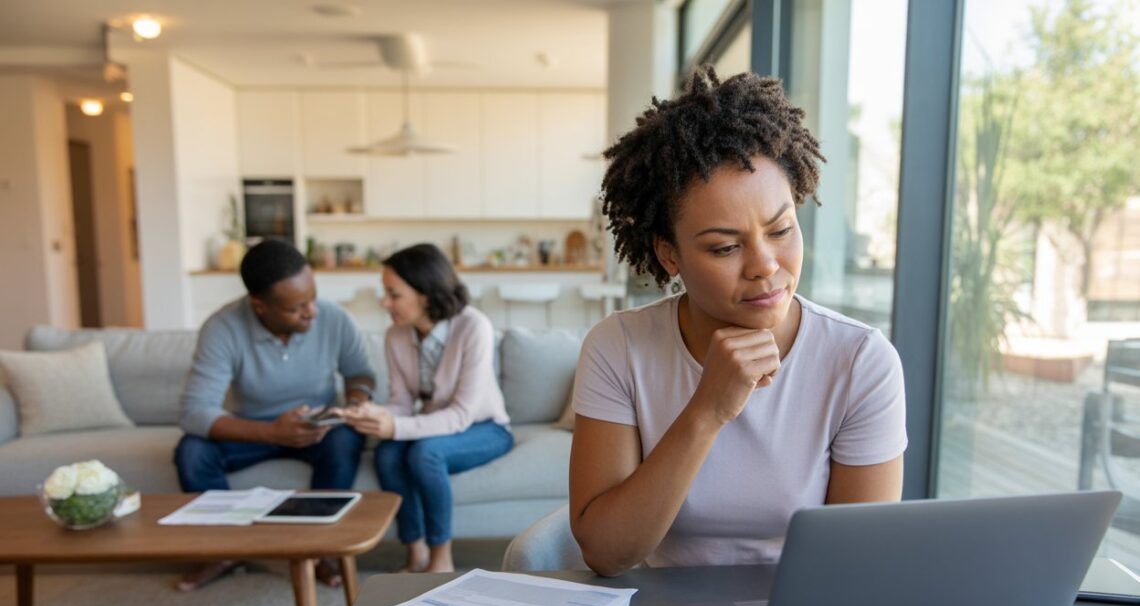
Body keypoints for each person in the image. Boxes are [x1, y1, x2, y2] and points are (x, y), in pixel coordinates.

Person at [569, 69, 907, 577]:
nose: (765, 265)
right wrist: (707, 410)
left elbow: (859, 568)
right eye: (725, 247)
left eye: (780, 230)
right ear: (669, 256)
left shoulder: (860, 360)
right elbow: (607, 553)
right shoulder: (618, 348)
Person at [174, 239, 376, 590]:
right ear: (260, 306)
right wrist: (271, 433)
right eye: (297, 308)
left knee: (346, 438)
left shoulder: (333, 318)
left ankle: (320, 551)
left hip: (317, 428)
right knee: (192, 450)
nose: (311, 311)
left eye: (312, 298)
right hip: (256, 428)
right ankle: (225, 551)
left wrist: (355, 402)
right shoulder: (223, 328)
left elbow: (361, 373)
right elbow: (194, 411)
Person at [336, 244, 513, 573]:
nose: (385, 303)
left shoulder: (474, 327)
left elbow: (461, 414)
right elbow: (402, 403)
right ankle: (415, 552)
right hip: (437, 424)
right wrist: (377, 415)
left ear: (426, 294)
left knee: (425, 453)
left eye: (394, 294)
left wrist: (396, 426)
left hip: (487, 427)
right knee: (387, 453)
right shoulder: (396, 335)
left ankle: (440, 558)